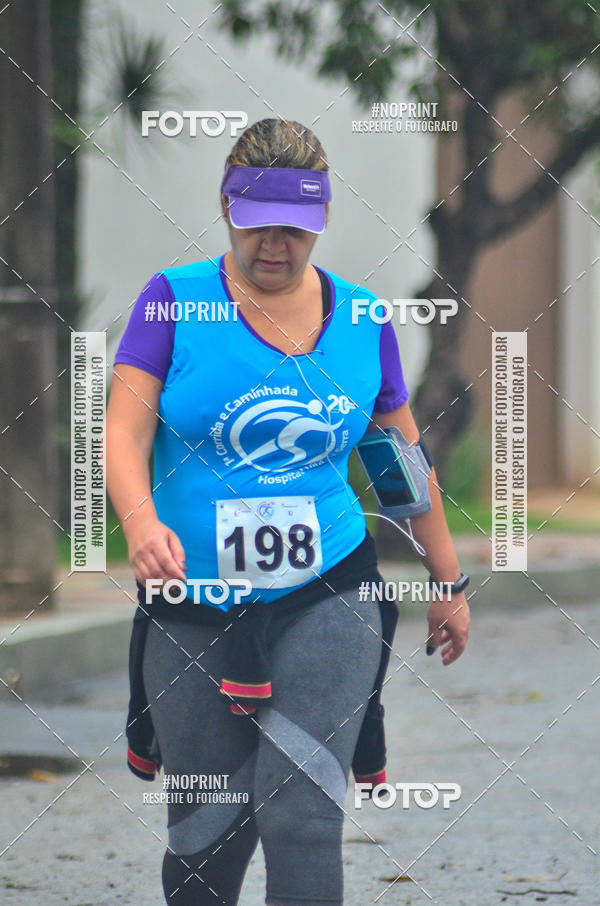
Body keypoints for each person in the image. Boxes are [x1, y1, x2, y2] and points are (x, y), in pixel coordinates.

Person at [106, 118, 470, 906]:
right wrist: (140, 522)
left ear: (322, 221)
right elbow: (124, 430)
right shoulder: (173, 303)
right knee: (209, 830)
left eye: (296, 228)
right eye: (258, 223)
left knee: (302, 811)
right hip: (192, 599)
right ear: (228, 209)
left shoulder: (363, 320)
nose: (276, 244)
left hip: (328, 589)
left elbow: (399, 464)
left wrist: (450, 578)